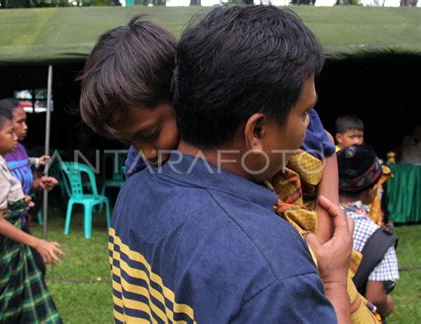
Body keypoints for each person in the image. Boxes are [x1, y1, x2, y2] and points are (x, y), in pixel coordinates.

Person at [81, 6, 353, 322]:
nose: (147, 154)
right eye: (302, 113)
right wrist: (333, 281)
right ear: (257, 130)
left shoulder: (133, 193)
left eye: (152, 134)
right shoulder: (271, 273)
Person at [0, 105, 62, 323]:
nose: (16, 136)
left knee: (13, 309)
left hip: (7, 244)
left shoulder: (0, 162)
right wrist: (37, 243)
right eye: (10, 132)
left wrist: (21, 201)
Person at [338, 144, 399, 318]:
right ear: (372, 190)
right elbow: (376, 297)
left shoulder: (311, 216)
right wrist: (389, 305)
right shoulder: (379, 239)